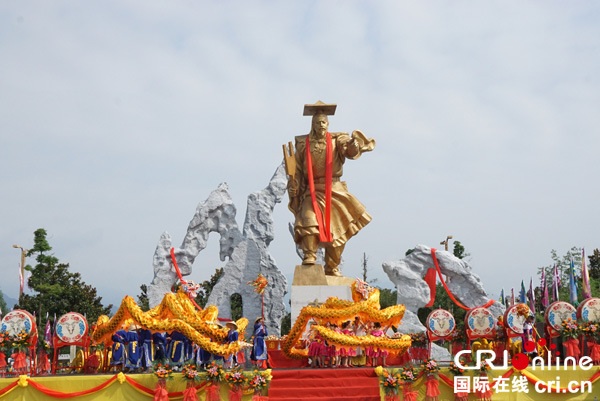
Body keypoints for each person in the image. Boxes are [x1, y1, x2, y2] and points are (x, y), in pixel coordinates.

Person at [286, 101, 375, 276]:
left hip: (334, 189)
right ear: (312, 124)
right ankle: (309, 255)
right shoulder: (303, 144)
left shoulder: (336, 140)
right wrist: (293, 185)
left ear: (328, 124)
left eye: (324, 122)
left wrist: (354, 144)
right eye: (317, 122)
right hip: (311, 190)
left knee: (337, 230)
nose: (321, 125)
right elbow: (296, 169)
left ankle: (332, 266)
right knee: (307, 219)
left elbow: (348, 151)